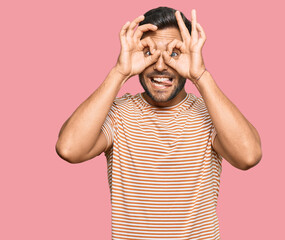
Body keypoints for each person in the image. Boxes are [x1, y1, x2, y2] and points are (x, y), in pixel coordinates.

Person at [56, 6, 262, 240]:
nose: (161, 66)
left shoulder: (212, 115)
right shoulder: (117, 114)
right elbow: (69, 149)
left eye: (174, 53)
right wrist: (120, 72)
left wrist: (200, 75)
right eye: (149, 53)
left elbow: (249, 156)